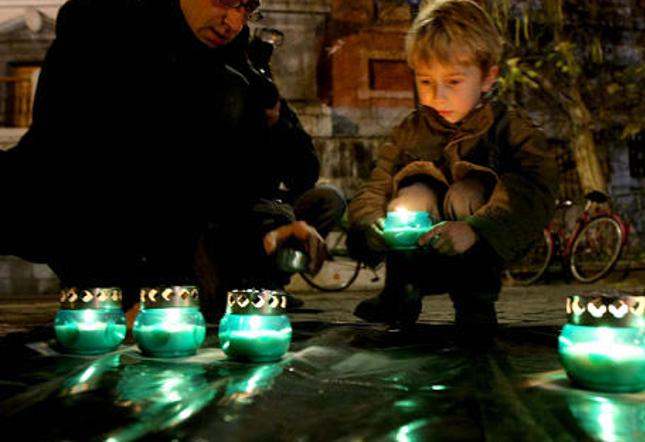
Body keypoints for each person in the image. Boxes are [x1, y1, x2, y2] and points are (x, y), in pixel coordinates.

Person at [0, 0, 343, 319]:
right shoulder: (104, 35)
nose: (233, 22)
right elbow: (74, 165)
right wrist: (127, 291)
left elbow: (251, 179)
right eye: (224, 0)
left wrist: (268, 235)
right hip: (87, 222)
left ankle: (242, 277)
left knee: (197, 312)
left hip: (188, 231)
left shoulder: (238, 66)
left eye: (246, 8)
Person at [347, 0, 558, 341]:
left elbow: (535, 186)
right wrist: (370, 223)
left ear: (488, 77)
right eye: (426, 81)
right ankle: (401, 295)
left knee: (467, 192)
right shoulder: (411, 130)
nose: (438, 96)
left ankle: (474, 305)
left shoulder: (510, 129)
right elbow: (377, 183)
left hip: (475, 249)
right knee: (411, 195)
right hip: (416, 252)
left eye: (454, 81)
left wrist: (479, 229)